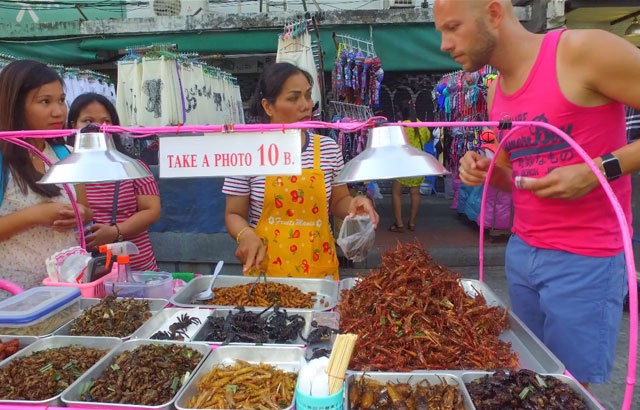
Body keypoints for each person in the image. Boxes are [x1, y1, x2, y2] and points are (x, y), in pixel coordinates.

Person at [434, 0, 640, 385]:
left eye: (453, 27)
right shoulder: (495, 92)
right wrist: (482, 168)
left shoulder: (583, 51)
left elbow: (597, 168)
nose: (444, 44)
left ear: (494, 14)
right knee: (533, 378)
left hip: (585, 258)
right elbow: (509, 168)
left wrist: (599, 169)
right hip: (522, 252)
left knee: (572, 387)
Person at [223, 62, 379, 279]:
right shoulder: (248, 152)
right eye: (293, 98)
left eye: (307, 95)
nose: (306, 105)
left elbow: (338, 201)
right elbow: (233, 214)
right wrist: (245, 235)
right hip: (267, 271)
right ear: (268, 107)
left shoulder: (328, 148)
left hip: (319, 272)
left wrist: (354, 203)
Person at [0, 60, 93, 291]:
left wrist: (80, 214)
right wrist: (34, 215)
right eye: (45, 101)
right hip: (13, 296)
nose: (59, 111)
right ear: (15, 105)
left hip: (68, 288)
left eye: (61, 100)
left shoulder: (67, 154)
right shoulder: (4, 161)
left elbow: (87, 210)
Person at [68, 93, 161, 271]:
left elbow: (152, 211)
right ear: (73, 126)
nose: (96, 127)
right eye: (87, 121)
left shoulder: (134, 167)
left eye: (105, 121)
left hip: (135, 267)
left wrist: (115, 232)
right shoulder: (62, 168)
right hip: (80, 269)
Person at [388, 101, 431, 232]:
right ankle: (412, 223)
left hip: (403, 164)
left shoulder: (401, 127)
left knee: (396, 193)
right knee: (415, 193)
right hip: (418, 165)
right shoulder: (422, 126)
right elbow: (428, 139)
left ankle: (399, 224)